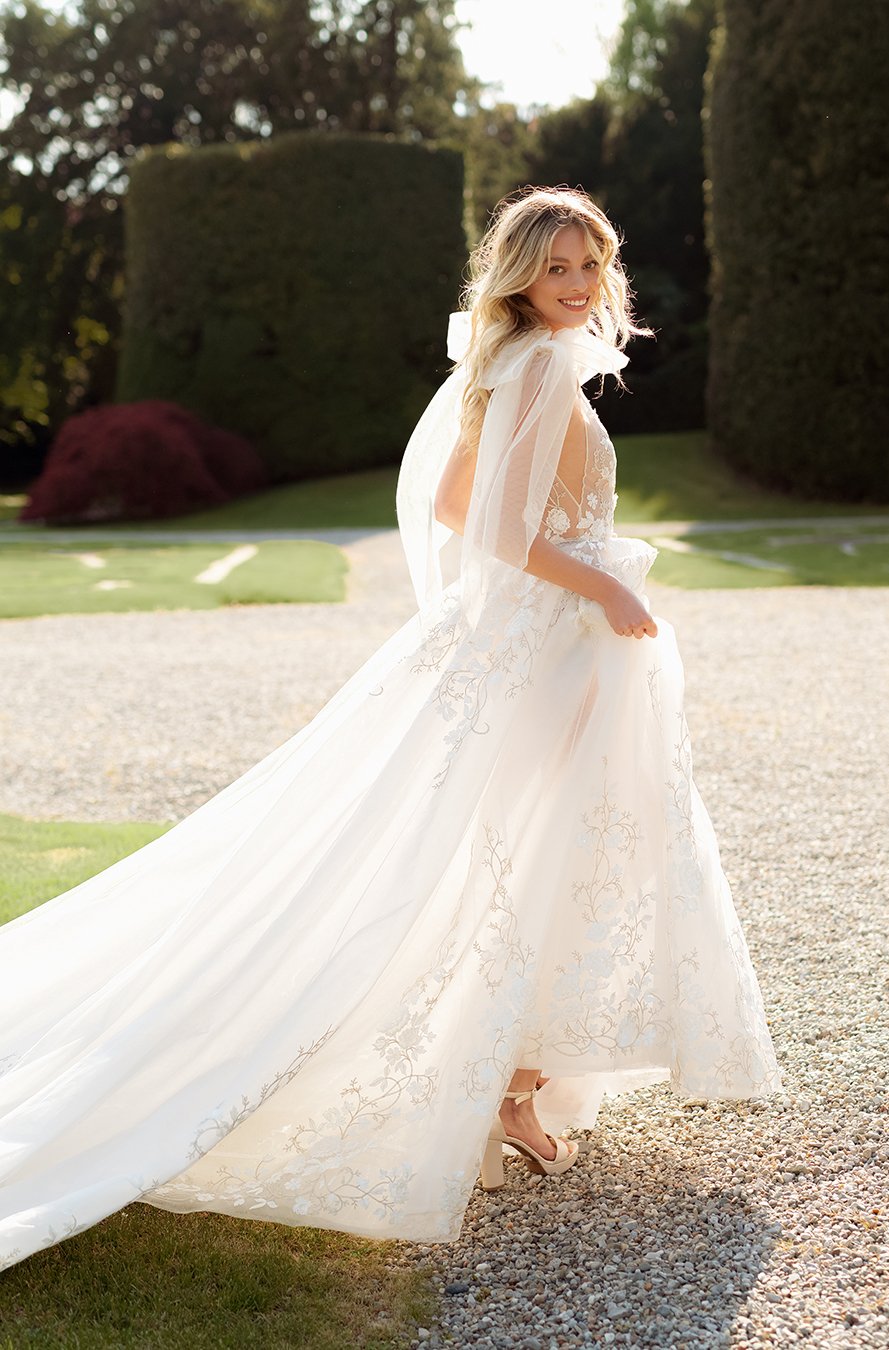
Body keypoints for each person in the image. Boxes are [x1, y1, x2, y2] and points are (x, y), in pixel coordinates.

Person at [0, 186, 781, 1273]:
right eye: (558, 269)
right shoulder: (542, 366)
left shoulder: (506, 364)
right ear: (518, 275)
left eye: (591, 267)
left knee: (534, 848)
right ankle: (500, 1083)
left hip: (531, 642)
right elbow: (496, 525)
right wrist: (602, 592)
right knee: (544, 846)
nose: (578, 288)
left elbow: (458, 504)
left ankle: (509, 1080)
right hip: (554, 642)